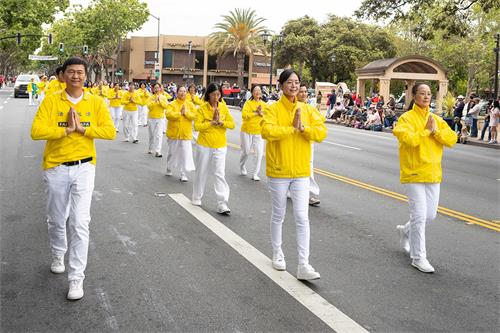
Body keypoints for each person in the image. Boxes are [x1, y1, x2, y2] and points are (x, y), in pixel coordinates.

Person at [30, 57, 116, 300]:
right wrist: (64, 131)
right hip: (56, 167)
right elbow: (36, 132)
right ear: (63, 75)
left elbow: (109, 131)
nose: (76, 76)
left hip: (85, 167)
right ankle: (59, 253)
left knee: (80, 222)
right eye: (71, 72)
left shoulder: (96, 102)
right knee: (57, 219)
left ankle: (76, 278)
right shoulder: (50, 101)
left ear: (86, 76)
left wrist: (83, 130)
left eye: (80, 72)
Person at [261, 69, 327, 280]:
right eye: (289, 82)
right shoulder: (272, 109)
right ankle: (277, 253)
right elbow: (267, 132)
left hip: (300, 172)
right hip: (279, 170)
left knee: (302, 217)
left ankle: (303, 264)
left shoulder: (307, 109)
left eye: (297, 82)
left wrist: (303, 128)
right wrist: (291, 128)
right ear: (281, 85)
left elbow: (321, 133)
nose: (294, 85)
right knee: (278, 214)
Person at [393, 83, 456, 273]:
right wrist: (426, 131)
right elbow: (410, 140)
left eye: (429, 93)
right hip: (413, 173)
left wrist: (435, 131)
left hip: (432, 173)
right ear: (414, 96)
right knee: (419, 216)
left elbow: (452, 139)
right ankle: (418, 257)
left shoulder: (436, 119)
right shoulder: (405, 118)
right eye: (422, 93)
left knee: (430, 216)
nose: (426, 96)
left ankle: (405, 230)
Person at [192, 83, 235, 214]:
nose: (216, 97)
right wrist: (211, 122)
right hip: (204, 144)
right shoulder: (201, 109)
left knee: (219, 173)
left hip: (220, 145)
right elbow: (197, 127)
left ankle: (222, 203)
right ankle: (197, 197)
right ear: (208, 95)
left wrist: (221, 122)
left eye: (218, 94)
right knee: (201, 171)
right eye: (213, 94)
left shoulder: (224, 108)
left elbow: (232, 124)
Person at [297, 83, 323, 206]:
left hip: (307, 142)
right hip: (294, 143)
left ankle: (309, 194)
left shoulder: (310, 108)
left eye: (305, 91)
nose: (304, 94)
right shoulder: (293, 107)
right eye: (301, 91)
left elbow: (319, 125)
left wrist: (307, 129)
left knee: (308, 169)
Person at [165, 86, 197, 181]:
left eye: (184, 91)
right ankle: (169, 167)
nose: (182, 93)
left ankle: (183, 173)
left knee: (185, 154)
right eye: (180, 91)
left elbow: (194, 116)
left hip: (185, 134)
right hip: (174, 133)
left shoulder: (190, 105)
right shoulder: (172, 104)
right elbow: (168, 115)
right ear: (177, 92)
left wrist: (186, 113)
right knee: (172, 152)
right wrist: (179, 113)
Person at [239, 85, 266, 181]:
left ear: (261, 93)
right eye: (255, 90)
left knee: (259, 154)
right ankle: (242, 166)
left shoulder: (264, 104)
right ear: (252, 93)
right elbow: (244, 115)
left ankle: (255, 173)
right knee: (246, 151)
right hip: (246, 130)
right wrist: (256, 113)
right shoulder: (248, 103)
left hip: (258, 132)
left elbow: (267, 117)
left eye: (259, 90)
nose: (257, 92)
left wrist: (262, 114)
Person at [147, 83, 169, 157]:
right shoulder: (151, 97)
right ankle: (150, 148)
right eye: (155, 88)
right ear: (153, 89)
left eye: (158, 87)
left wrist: (160, 101)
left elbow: (166, 106)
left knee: (159, 135)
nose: (156, 89)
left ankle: (158, 151)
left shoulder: (163, 97)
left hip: (160, 118)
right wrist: (154, 101)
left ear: (160, 89)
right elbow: (149, 107)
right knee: (152, 134)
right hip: (151, 118)